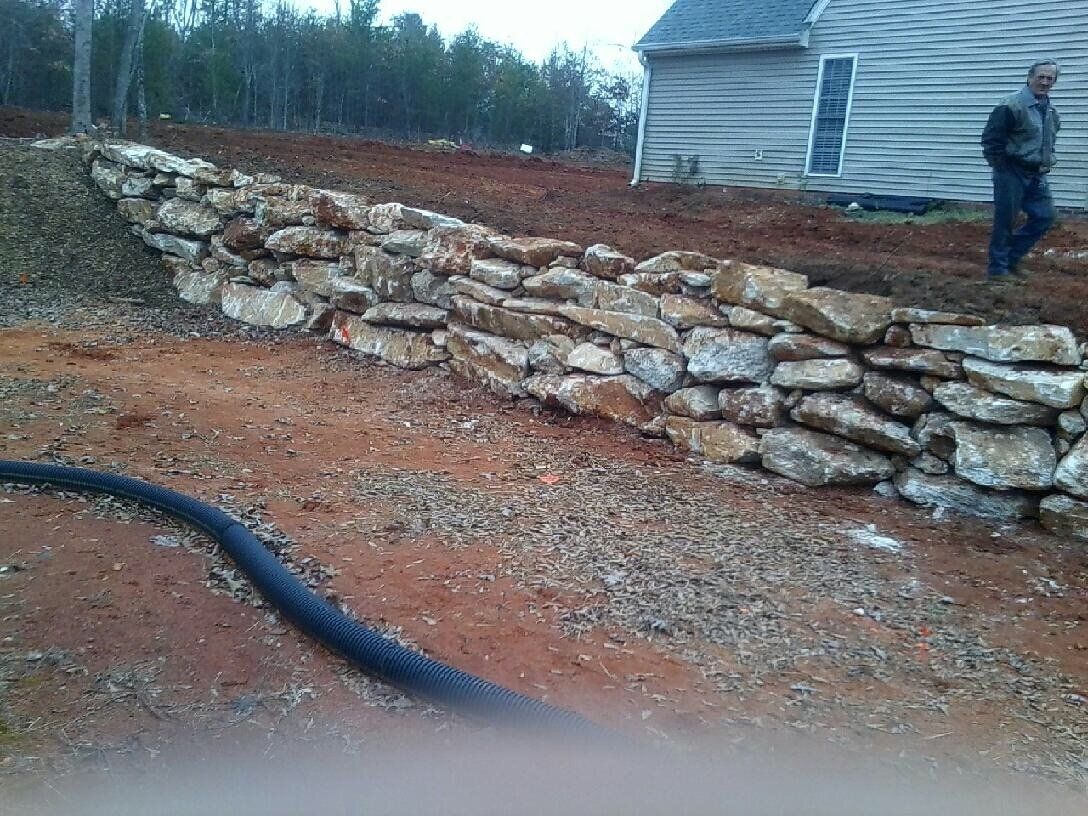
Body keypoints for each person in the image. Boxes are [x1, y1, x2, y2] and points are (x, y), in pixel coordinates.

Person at [980, 60, 1061, 283]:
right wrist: (1001, 167)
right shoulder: (1011, 105)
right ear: (1029, 77)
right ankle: (998, 270)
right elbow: (991, 140)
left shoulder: (1050, 110)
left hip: (1036, 173)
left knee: (1045, 216)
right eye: (1041, 77)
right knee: (1006, 220)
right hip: (1011, 170)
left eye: (1050, 78)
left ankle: (1010, 258)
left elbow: (1047, 141)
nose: (1044, 82)